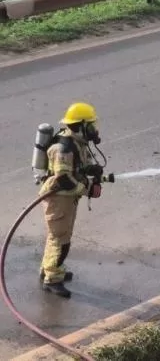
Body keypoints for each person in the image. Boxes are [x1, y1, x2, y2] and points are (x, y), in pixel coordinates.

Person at [38, 102, 104, 298]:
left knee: (57, 236)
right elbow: (63, 179)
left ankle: (48, 269)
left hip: (66, 198)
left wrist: (90, 171)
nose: (94, 129)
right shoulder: (64, 148)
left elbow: (78, 166)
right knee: (61, 240)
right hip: (59, 198)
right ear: (82, 124)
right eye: (91, 124)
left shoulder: (76, 141)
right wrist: (86, 189)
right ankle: (53, 280)